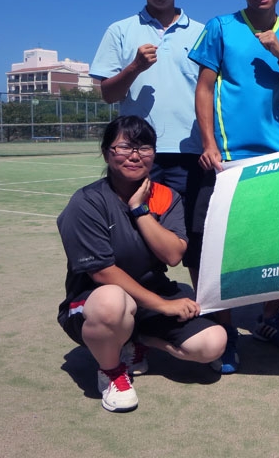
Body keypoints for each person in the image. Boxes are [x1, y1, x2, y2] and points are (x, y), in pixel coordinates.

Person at [190, 0, 279, 373]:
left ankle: (268, 320)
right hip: (226, 158)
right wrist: (208, 144)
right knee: (221, 250)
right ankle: (223, 334)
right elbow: (204, 89)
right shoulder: (221, 27)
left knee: (271, 247)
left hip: (277, 157)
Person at [56, 116, 226, 413]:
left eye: (144, 148)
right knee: (112, 301)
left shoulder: (165, 196)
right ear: (107, 151)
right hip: (94, 301)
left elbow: (173, 255)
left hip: (149, 295)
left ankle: (135, 338)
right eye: (124, 147)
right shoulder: (86, 202)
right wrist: (164, 305)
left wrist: (140, 209)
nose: (135, 155)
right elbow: (102, 272)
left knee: (213, 343)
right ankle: (112, 372)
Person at [89, 0, 206, 284]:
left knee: (195, 240)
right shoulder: (120, 31)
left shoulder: (201, 33)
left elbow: (212, 91)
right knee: (135, 237)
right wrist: (135, 68)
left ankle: (203, 314)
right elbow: (108, 93)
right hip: (138, 155)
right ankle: (141, 315)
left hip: (191, 152)